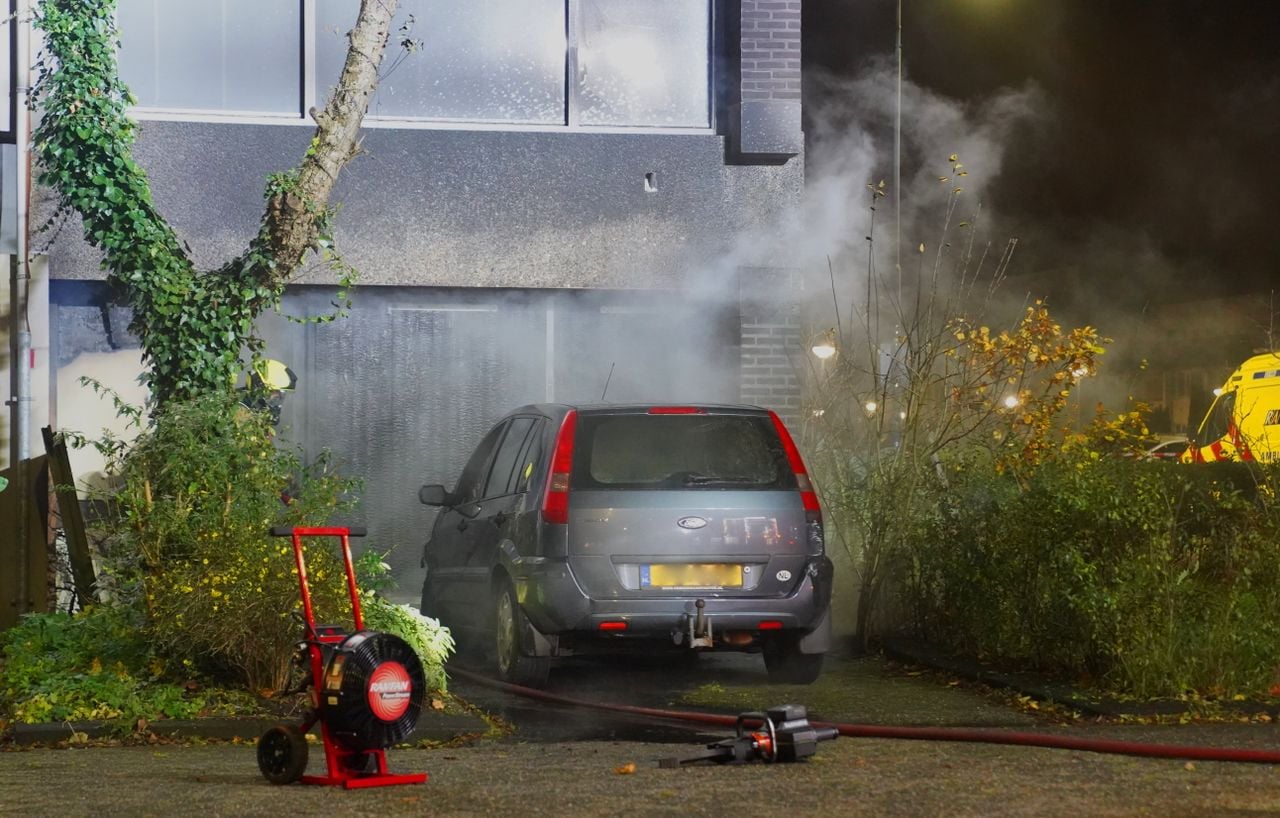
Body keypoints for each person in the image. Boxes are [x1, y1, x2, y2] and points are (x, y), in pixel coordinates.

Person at [237, 358, 297, 426]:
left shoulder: (255, 411)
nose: (277, 404)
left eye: (280, 398)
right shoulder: (238, 410)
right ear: (258, 387)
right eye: (275, 396)